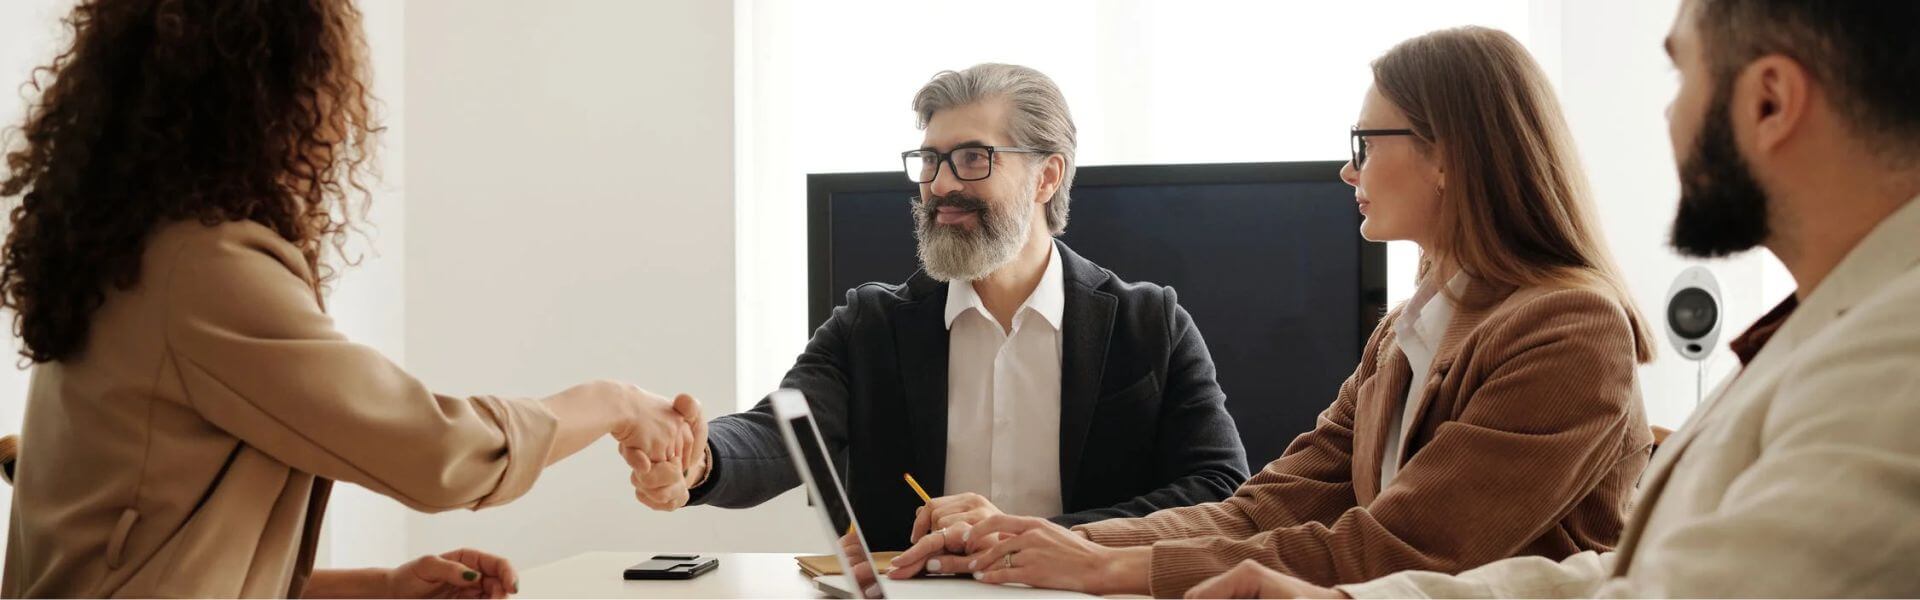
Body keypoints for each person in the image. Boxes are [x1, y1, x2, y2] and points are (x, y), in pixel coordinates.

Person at [1177, 1, 1920, 598]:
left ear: (1770, 101)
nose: (1667, 119)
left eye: (1680, 75)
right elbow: (1625, 574)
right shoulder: (1832, 328)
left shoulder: (1893, 358)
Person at [905, 28, 1660, 597]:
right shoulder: (1405, 332)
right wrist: (1053, 542)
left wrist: (1110, 567)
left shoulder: (1571, 330)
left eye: (1366, 143)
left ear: (1447, 155)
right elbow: (1262, 509)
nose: (1349, 169)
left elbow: (1399, 548)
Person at [0, 1, 706, 597]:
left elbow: (160, 547)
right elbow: (436, 450)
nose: (340, 115)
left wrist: (380, 586)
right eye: (328, 80)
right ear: (274, 88)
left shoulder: (130, 251)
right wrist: (613, 402)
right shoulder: (202, 269)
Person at [627, 63, 1250, 550]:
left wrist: (1037, 536)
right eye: (930, 160)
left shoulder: (1151, 324)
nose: (941, 184)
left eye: (972, 158)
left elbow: (1219, 489)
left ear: (1047, 176)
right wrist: (699, 459)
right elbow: (779, 434)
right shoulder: (870, 326)